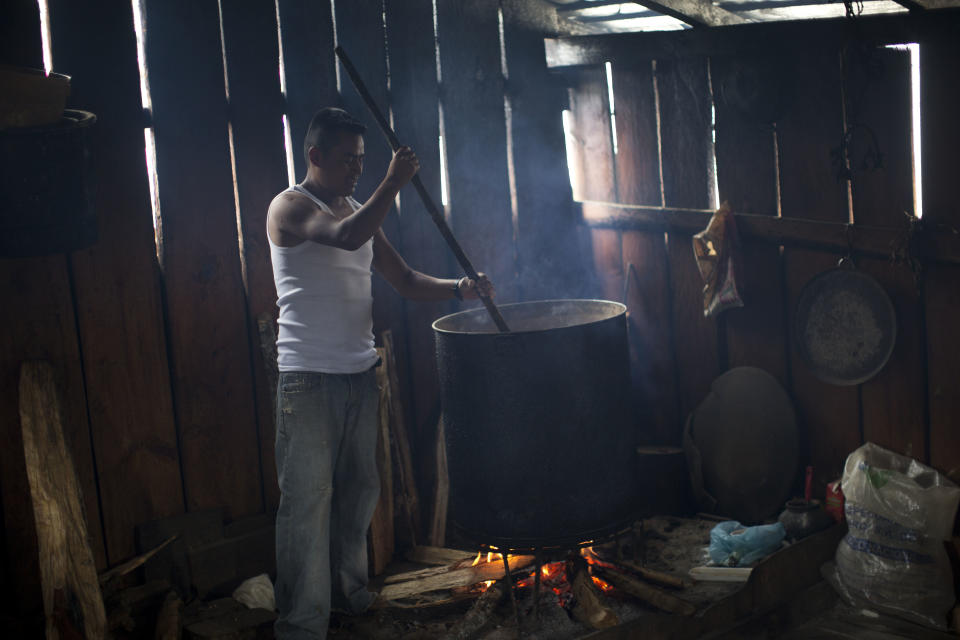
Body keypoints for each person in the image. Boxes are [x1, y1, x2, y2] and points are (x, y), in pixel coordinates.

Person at [266, 107, 494, 639]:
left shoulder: (355, 207)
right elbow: (345, 236)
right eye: (347, 160)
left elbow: (407, 280)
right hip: (308, 379)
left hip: (359, 375)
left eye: (364, 162)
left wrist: (460, 289)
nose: (356, 170)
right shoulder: (291, 206)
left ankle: (348, 596)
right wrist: (392, 183)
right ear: (314, 156)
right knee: (307, 503)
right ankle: (301, 625)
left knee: (357, 494)